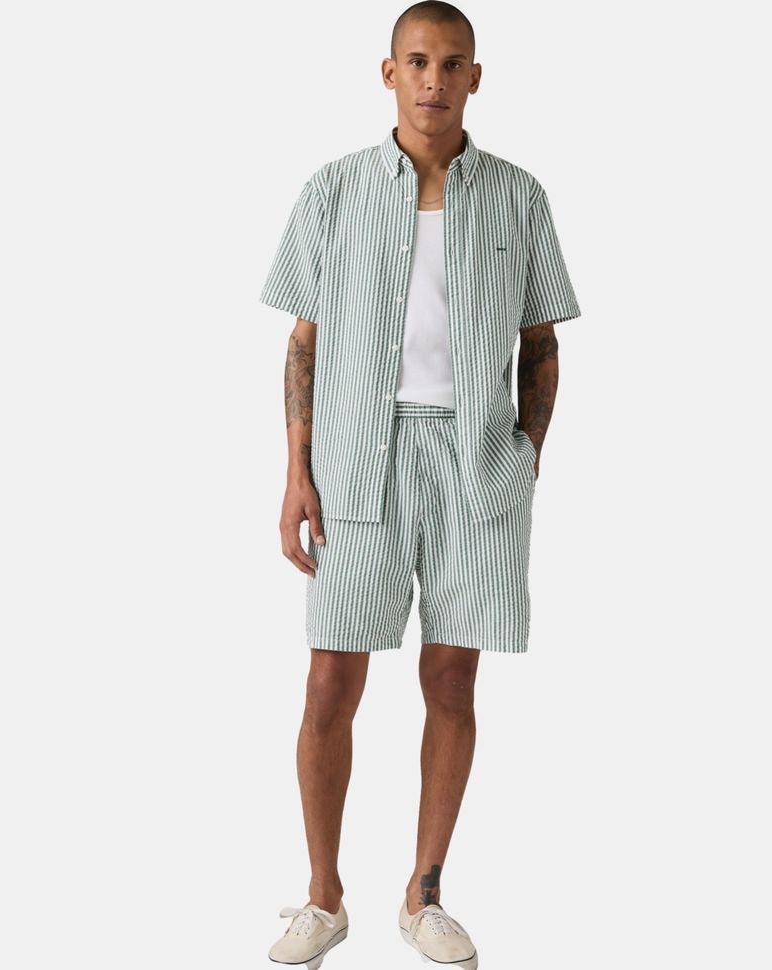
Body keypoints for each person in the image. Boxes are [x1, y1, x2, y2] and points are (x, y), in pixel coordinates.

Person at [258, 3, 581, 967]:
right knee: (330, 681)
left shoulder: (518, 196)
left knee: (451, 678)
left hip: (475, 460)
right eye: (417, 61)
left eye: (451, 63)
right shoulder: (334, 190)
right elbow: (304, 339)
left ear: (475, 77)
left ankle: (425, 894)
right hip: (356, 456)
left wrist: (526, 453)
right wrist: (296, 472)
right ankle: (324, 898)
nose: (434, 79)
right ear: (388, 73)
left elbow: (541, 341)